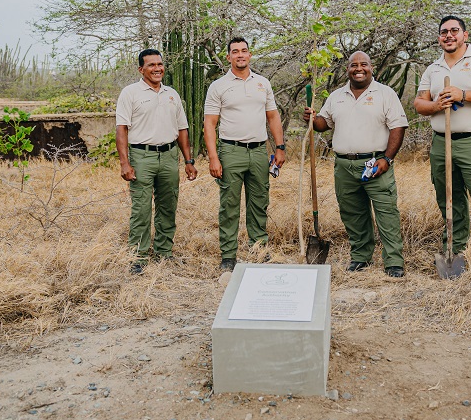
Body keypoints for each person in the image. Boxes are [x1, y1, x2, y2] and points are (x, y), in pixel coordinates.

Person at [303, 51, 408, 278]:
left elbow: (398, 127)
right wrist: (312, 118)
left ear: (371, 67)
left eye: (364, 65)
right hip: (344, 165)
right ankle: (361, 257)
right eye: (353, 65)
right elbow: (324, 124)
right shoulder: (337, 96)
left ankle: (393, 261)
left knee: (386, 213)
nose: (358, 69)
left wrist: (387, 159)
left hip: (375, 163)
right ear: (347, 69)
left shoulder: (385, 94)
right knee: (352, 213)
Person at [413, 15, 471, 258]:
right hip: (441, 143)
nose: (449, 35)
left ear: (465, 35)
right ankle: (455, 251)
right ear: (439, 38)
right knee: (449, 199)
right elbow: (419, 102)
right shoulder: (433, 69)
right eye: (444, 32)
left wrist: (461, 94)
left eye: (454, 30)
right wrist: (436, 105)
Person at [204, 37, 286, 271]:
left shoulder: (263, 83)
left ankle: (259, 249)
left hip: (259, 150)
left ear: (250, 55)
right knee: (229, 203)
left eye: (244, 51)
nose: (240, 55)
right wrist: (213, 157)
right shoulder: (218, 86)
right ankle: (228, 255)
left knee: (259, 201)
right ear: (228, 57)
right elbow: (209, 124)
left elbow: (273, 117)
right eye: (235, 52)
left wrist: (279, 147)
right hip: (231, 150)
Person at [116, 49, 198, 273]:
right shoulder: (130, 93)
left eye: (160, 64)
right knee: (141, 208)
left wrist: (188, 160)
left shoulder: (171, 94)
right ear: (141, 69)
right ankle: (138, 257)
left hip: (169, 156)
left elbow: (182, 129)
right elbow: (122, 129)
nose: (157, 69)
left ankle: (164, 252)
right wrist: (125, 163)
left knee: (168, 205)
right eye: (151, 65)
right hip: (142, 156)